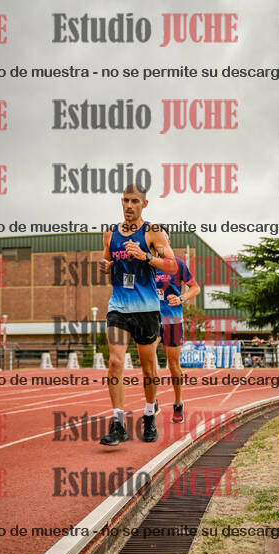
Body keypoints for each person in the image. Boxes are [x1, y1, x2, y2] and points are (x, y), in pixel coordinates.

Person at [99, 184, 177, 446]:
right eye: (125, 201)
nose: (129, 205)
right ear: (121, 202)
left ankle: (149, 413)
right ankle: (118, 423)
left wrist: (145, 256)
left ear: (144, 204)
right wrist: (105, 266)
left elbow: (172, 265)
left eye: (135, 201)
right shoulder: (110, 233)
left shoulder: (153, 232)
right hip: (118, 307)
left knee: (148, 367)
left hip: (146, 309)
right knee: (115, 362)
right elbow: (108, 261)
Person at [155, 228, 200, 423]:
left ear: (168, 241)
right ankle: (151, 401)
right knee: (149, 361)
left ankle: (178, 402)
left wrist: (181, 298)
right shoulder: (146, 263)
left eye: (162, 238)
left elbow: (195, 288)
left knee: (173, 364)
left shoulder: (178, 264)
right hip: (151, 318)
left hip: (172, 319)